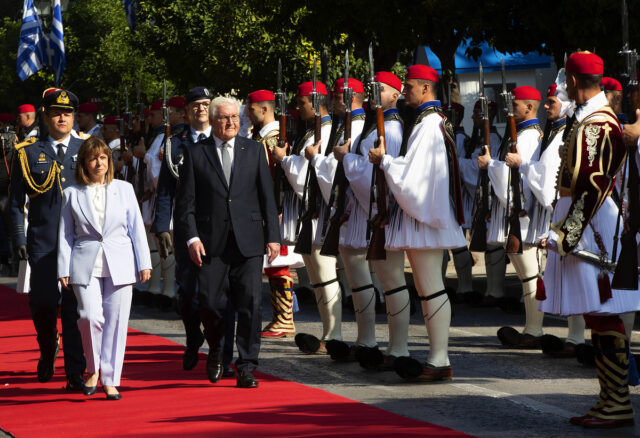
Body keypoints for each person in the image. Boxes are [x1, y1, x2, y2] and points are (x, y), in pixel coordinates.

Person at [540, 51, 638, 429]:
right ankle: (609, 399)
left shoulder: (596, 122)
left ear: (575, 83)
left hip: (592, 225)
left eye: (567, 80)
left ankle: (617, 402)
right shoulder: (591, 118)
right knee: (598, 317)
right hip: (586, 222)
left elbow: (592, 185)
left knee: (604, 313)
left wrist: (567, 233)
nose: (565, 86)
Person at [369, 65, 466, 382]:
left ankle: (439, 359)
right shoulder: (427, 122)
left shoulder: (428, 125)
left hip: (426, 216)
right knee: (427, 288)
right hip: (424, 214)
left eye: (409, 86)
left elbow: (414, 176)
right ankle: (437, 357)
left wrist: (384, 160)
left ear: (426, 89)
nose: (405, 90)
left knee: (431, 288)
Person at [175, 96, 280, 388]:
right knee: (209, 303)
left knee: (250, 304)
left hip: (248, 241)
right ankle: (218, 351)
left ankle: (246, 365)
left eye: (235, 117)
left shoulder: (254, 150)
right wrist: (192, 237)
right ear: (212, 119)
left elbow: (266, 197)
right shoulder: (196, 153)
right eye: (224, 118)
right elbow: (186, 203)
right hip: (210, 243)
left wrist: (273, 237)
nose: (231, 122)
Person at [57, 137, 151, 400]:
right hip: (83, 261)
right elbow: (65, 234)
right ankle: (92, 368)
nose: (98, 163)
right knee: (89, 316)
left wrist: (144, 262)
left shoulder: (124, 189)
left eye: (103, 158)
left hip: (120, 261)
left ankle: (110, 378)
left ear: (109, 161)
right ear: (84, 164)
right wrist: (63, 267)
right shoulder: (72, 193)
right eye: (92, 159)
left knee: (116, 322)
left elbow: (136, 229)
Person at [333, 71, 411, 370]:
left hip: (378, 210)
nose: (373, 93)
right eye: (371, 89)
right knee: (366, 277)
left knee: (392, 282)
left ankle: (399, 347)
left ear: (395, 94)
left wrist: (346, 159)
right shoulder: (372, 125)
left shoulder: (389, 129)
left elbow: (377, 175)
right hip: (364, 208)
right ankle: (367, 341)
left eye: (381, 89)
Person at [9, 89, 86, 390]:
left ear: (74, 116)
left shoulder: (88, 148)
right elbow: (16, 202)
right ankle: (46, 347)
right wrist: (18, 236)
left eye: (67, 113)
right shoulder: (28, 151)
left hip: (79, 242)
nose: (62, 117)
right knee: (42, 303)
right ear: (45, 115)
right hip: (43, 240)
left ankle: (74, 372)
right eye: (56, 112)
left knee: (73, 307)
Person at [272, 81, 340, 355]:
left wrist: (284, 160)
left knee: (325, 274)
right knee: (316, 277)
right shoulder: (313, 129)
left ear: (315, 101)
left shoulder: (325, 129)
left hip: (318, 210)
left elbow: (312, 175)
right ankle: (328, 333)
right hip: (308, 211)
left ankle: (334, 334)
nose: (298, 108)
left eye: (301, 103)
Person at [478, 85, 545, 348]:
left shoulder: (528, 137)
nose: (510, 108)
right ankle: (532, 328)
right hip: (520, 211)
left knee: (530, 274)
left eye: (515, 104)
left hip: (524, 212)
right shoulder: (525, 134)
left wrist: (489, 165)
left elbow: (516, 175)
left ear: (529, 107)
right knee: (526, 273)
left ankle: (534, 330)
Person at [245, 89, 303, 339]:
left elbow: (273, 178)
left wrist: (274, 209)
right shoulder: (261, 137)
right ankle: (281, 317)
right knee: (273, 265)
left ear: (265, 109)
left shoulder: (274, 138)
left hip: (274, 208)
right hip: (264, 207)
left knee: (279, 264)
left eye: (251, 108)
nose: (248, 113)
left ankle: (285, 318)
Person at [461, 100, 506, 308]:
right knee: (487, 241)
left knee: (492, 242)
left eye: (477, 114)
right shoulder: (477, 139)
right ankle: (491, 289)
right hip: (478, 194)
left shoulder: (493, 140)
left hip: (489, 195)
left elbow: (487, 166)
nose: (473, 117)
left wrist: (459, 163)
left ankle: (496, 290)